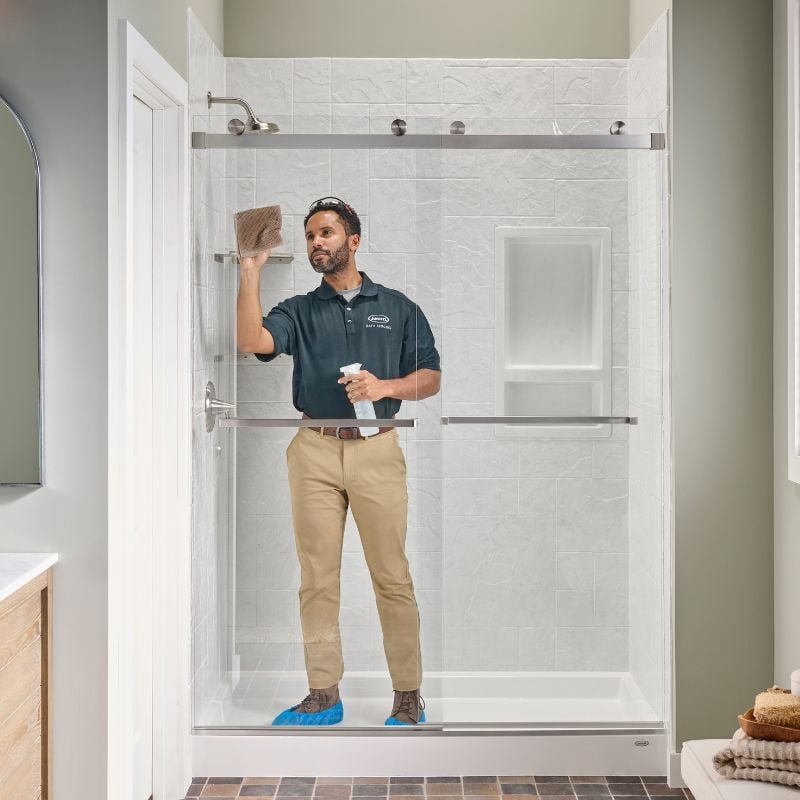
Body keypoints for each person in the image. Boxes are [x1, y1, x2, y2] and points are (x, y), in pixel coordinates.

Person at [236, 196, 441, 726]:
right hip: (314, 453)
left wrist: (385, 385)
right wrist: (250, 271)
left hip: (378, 449)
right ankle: (323, 691)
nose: (315, 244)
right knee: (317, 578)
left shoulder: (397, 307)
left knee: (392, 575)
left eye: (325, 233)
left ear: (352, 241)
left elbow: (431, 377)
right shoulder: (298, 311)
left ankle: (407, 693)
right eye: (309, 237)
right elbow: (251, 339)